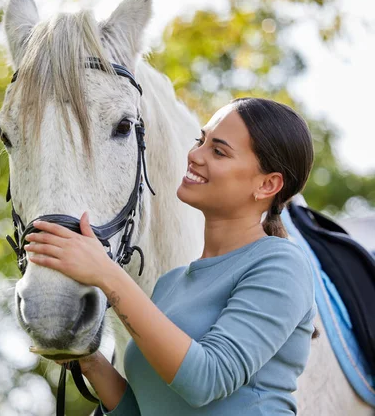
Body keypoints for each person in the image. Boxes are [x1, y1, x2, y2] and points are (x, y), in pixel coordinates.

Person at [23, 97, 317, 415]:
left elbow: (207, 380)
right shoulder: (170, 284)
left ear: (267, 184)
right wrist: (88, 359)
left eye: (218, 151)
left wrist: (106, 273)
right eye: (199, 141)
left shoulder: (281, 264)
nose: (194, 155)